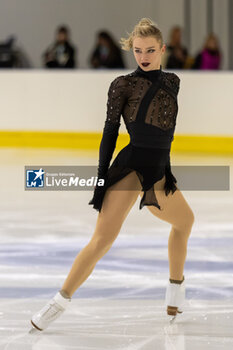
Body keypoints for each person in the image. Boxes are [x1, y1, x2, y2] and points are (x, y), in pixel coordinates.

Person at [30, 17, 194, 332]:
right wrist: (101, 179)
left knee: (185, 222)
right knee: (104, 238)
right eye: (137, 51)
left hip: (158, 171)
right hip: (130, 167)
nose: (143, 57)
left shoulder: (173, 81)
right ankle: (58, 302)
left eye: (149, 50)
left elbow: (166, 134)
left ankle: (175, 294)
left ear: (162, 49)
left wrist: (167, 172)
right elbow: (109, 134)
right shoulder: (123, 84)